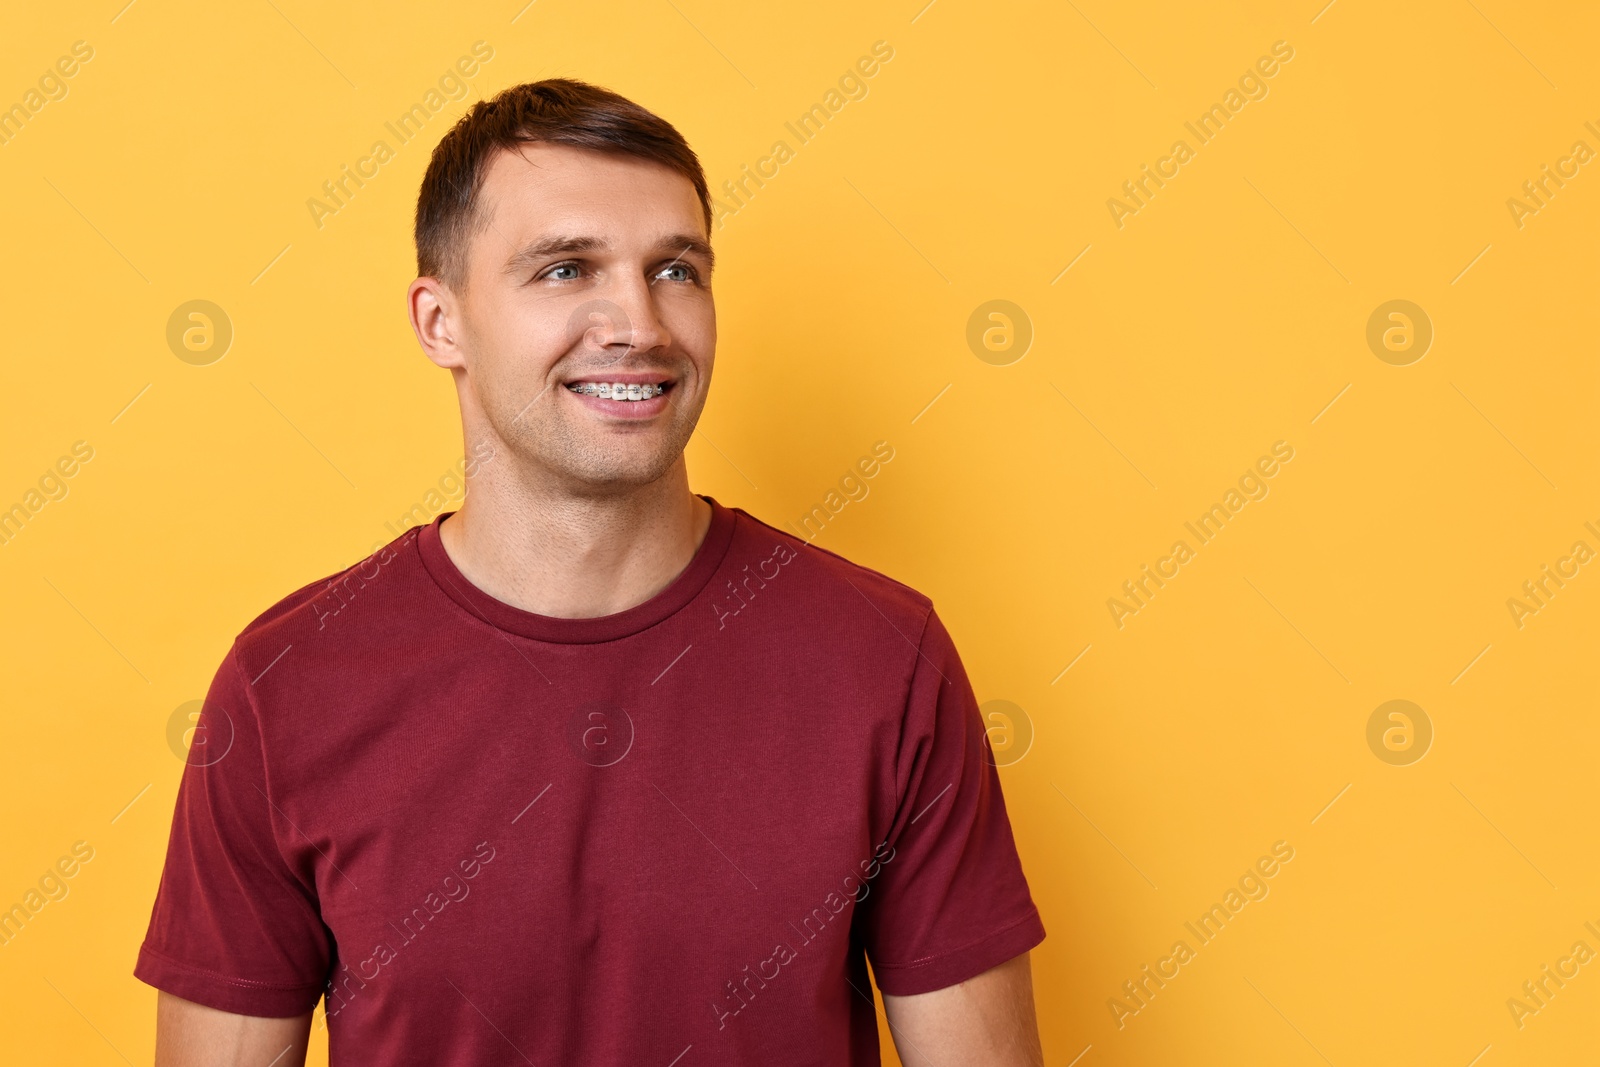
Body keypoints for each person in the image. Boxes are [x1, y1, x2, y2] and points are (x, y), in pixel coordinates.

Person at [136, 78, 1046, 1066]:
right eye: (567, 269)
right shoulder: (287, 686)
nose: (640, 322)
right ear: (441, 322)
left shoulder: (883, 661)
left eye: (676, 270)